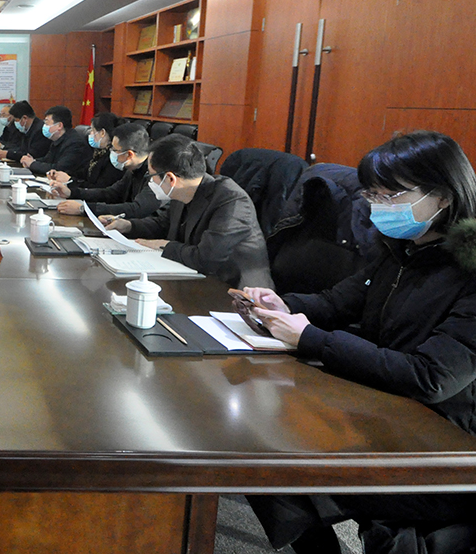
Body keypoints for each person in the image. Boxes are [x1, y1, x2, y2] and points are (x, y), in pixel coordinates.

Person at [241, 131, 476, 554]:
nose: (378, 206)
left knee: (273, 465)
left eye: (391, 196)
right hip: (384, 410)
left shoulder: (469, 272)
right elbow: (337, 303)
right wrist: (281, 304)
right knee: (255, 442)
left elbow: (431, 377)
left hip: (443, 449)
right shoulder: (401, 249)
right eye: (373, 195)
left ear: (442, 197)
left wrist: (310, 338)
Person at [103, 134, 272, 288]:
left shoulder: (231, 201)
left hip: (235, 294)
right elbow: (163, 224)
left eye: (151, 176)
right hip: (192, 279)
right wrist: (128, 225)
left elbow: (206, 259)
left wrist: (165, 245)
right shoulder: (183, 191)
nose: (150, 182)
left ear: (170, 178)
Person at [54, 122, 160, 218]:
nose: (111, 152)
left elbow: (136, 209)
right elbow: (110, 193)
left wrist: (84, 209)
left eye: (114, 149)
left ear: (129, 154)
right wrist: (71, 193)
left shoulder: (156, 175)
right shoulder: (133, 169)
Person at [46, 111, 121, 189]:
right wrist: (61, 174)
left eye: (93, 130)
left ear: (102, 133)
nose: (90, 134)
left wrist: (70, 180)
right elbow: (84, 173)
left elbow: (98, 188)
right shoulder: (98, 153)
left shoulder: (113, 158)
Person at [21, 105, 93, 180]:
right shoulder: (58, 139)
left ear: (59, 125)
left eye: (47, 123)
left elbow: (59, 169)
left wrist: (32, 164)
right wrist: (32, 161)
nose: (44, 126)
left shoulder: (75, 143)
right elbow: (48, 159)